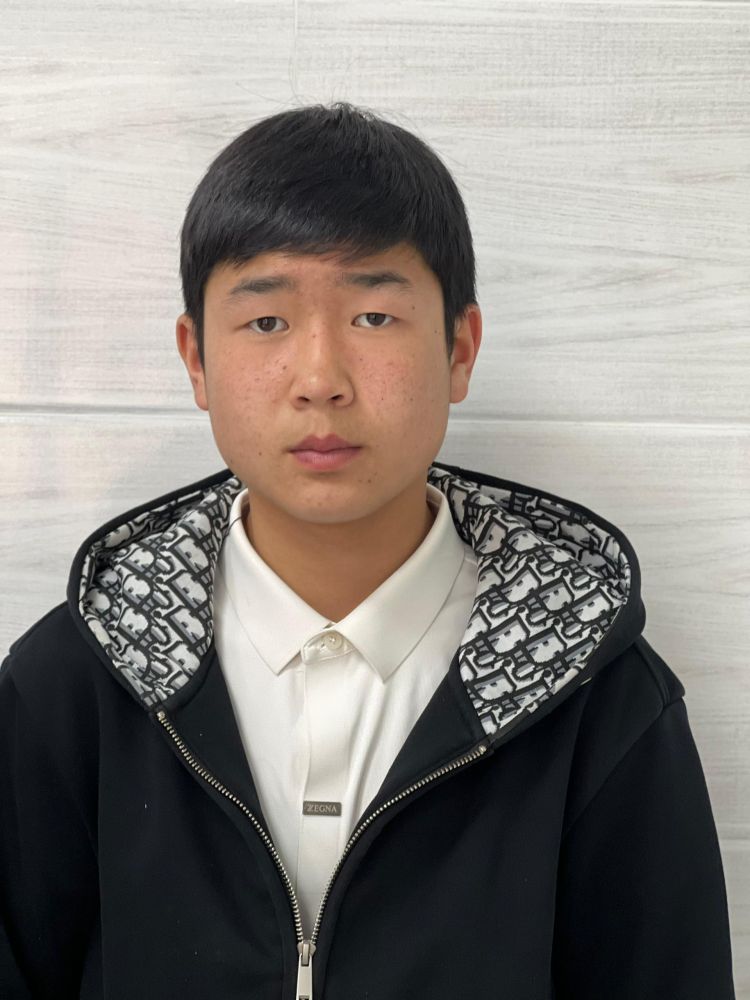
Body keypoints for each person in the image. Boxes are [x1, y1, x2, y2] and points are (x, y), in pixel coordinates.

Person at [0, 101, 736, 1000]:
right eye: (266, 322)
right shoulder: (74, 683)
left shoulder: (602, 699)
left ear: (459, 348)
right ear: (195, 359)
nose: (321, 380)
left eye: (375, 317)